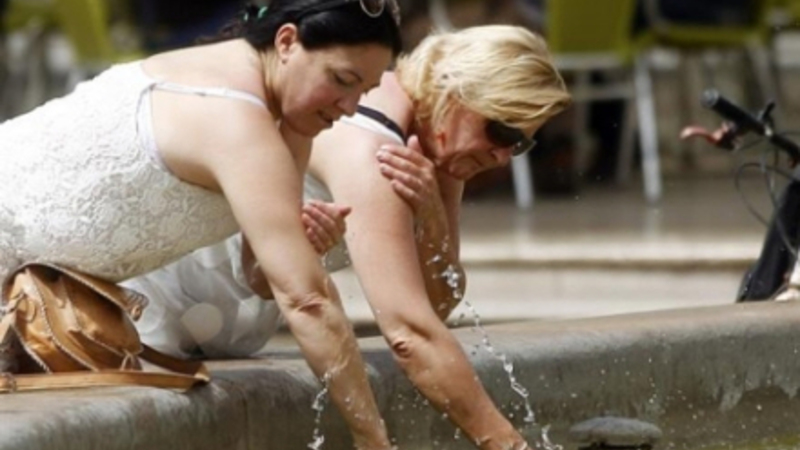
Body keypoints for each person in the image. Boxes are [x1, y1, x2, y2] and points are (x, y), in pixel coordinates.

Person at [125, 24, 570, 449]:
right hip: (155, 308)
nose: (503, 156)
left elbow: (439, 304)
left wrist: (432, 218)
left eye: (520, 144)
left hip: (227, 322)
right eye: (501, 130)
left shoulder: (439, 145)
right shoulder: (374, 148)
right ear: (456, 92)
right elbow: (410, 335)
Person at [0, 1, 403, 448]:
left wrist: (305, 247)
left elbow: (261, 277)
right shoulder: (233, 114)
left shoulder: (286, 118)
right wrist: (373, 438)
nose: (349, 107)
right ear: (287, 41)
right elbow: (306, 301)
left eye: (364, 91)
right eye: (342, 80)